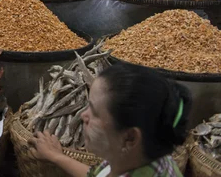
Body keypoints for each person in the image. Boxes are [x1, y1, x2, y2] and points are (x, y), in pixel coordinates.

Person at [29, 63, 192, 177]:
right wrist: (56, 157)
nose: (82, 116)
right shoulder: (148, 157)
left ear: (130, 138)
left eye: (94, 112)